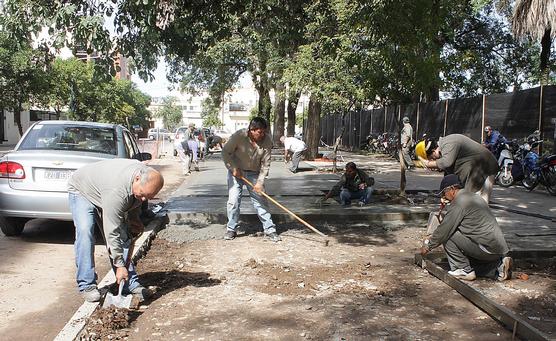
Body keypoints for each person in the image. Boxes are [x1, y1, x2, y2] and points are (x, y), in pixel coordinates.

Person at [67, 159, 164, 302]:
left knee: (125, 235)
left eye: (148, 197)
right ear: (137, 179)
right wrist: (119, 265)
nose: (143, 199)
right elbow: (111, 231)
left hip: (106, 188)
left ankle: (128, 282)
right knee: (85, 232)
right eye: (142, 194)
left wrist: (134, 219)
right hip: (82, 191)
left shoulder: (140, 180)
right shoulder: (117, 191)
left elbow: (134, 201)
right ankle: (87, 284)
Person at [420, 174, 512, 281]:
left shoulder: (459, 203)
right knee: (469, 259)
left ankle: (463, 269)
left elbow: (444, 230)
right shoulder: (472, 197)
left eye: (444, 193)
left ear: (452, 189)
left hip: (486, 248)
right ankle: (498, 268)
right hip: (497, 249)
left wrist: (428, 246)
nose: (444, 196)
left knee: (448, 236)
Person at [221, 117, 280, 242]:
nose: (263, 134)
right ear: (251, 130)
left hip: (254, 173)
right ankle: (231, 229)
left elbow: (266, 164)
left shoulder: (267, 141)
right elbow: (226, 152)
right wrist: (233, 168)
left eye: (264, 131)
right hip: (236, 172)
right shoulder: (239, 136)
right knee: (233, 200)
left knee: (261, 200)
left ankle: (270, 229)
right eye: (260, 132)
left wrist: (260, 182)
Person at [418, 134, 499, 203]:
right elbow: (449, 175)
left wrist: (428, 164)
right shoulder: (445, 147)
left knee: (472, 200)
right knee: (478, 201)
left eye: (431, 158)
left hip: (483, 166)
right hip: (480, 167)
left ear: (433, 151)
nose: (433, 160)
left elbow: (446, 162)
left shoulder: (449, 142)